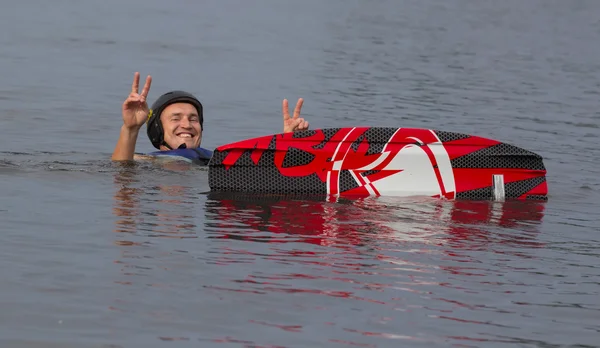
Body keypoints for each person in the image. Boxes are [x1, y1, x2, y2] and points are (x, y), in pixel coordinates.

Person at [111, 72, 310, 161]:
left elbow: (263, 165)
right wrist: (130, 129)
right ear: (157, 130)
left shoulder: (219, 159)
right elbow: (121, 172)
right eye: (176, 118)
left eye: (193, 118)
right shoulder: (147, 162)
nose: (186, 124)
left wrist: (289, 142)